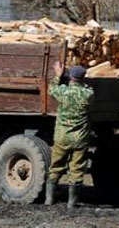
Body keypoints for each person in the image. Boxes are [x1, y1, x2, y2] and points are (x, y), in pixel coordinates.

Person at [45, 61, 94, 209]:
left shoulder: (62, 91)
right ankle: (72, 203)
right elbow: (87, 90)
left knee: (55, 167)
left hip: (61, 136)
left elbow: (51, 89)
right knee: (77, 170)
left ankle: (49, 200)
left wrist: (58, 76)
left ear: (70, 77)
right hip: (79, 138)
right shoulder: (88, 93)